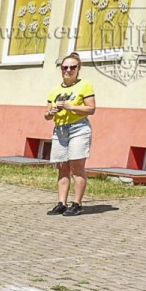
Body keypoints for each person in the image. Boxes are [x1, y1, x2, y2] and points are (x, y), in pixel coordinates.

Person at [45, 52, 96, 216]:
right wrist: (51, 112)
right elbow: (46, 115)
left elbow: (91, 109)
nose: (68, 70)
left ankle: (77, 204)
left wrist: (71, 107)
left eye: (72, 67)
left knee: (77, 167)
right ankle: (61, 203)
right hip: (60, 129)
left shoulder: (85, 85)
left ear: (78, 69)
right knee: (62, 167)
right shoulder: (55, 89)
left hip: (78, 128)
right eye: (64, 67)